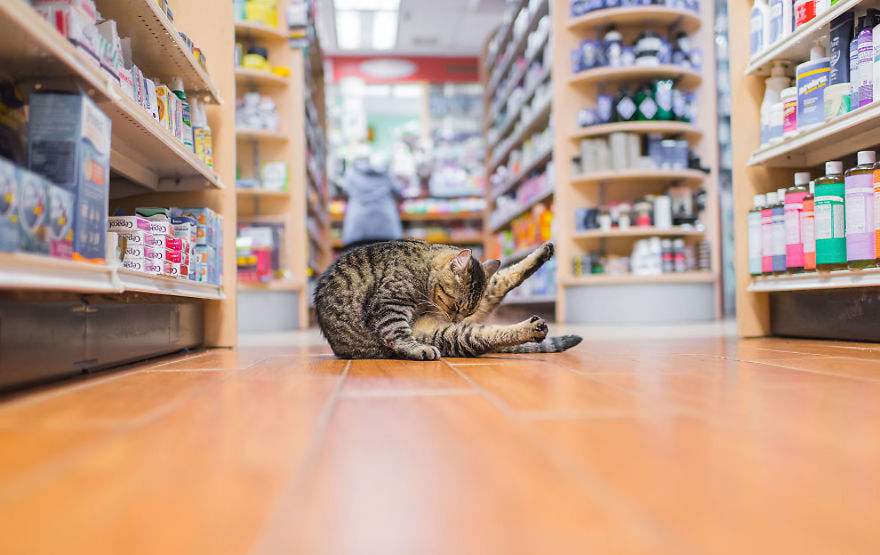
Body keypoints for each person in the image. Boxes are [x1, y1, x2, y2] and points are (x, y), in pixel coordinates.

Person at [340, 148, 403, 250]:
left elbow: (344, 191)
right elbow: (399, 192)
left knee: (357, 263)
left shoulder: (352, 175)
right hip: (386, 227)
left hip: (358, 228)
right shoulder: (386, 174)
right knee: (386, 263)